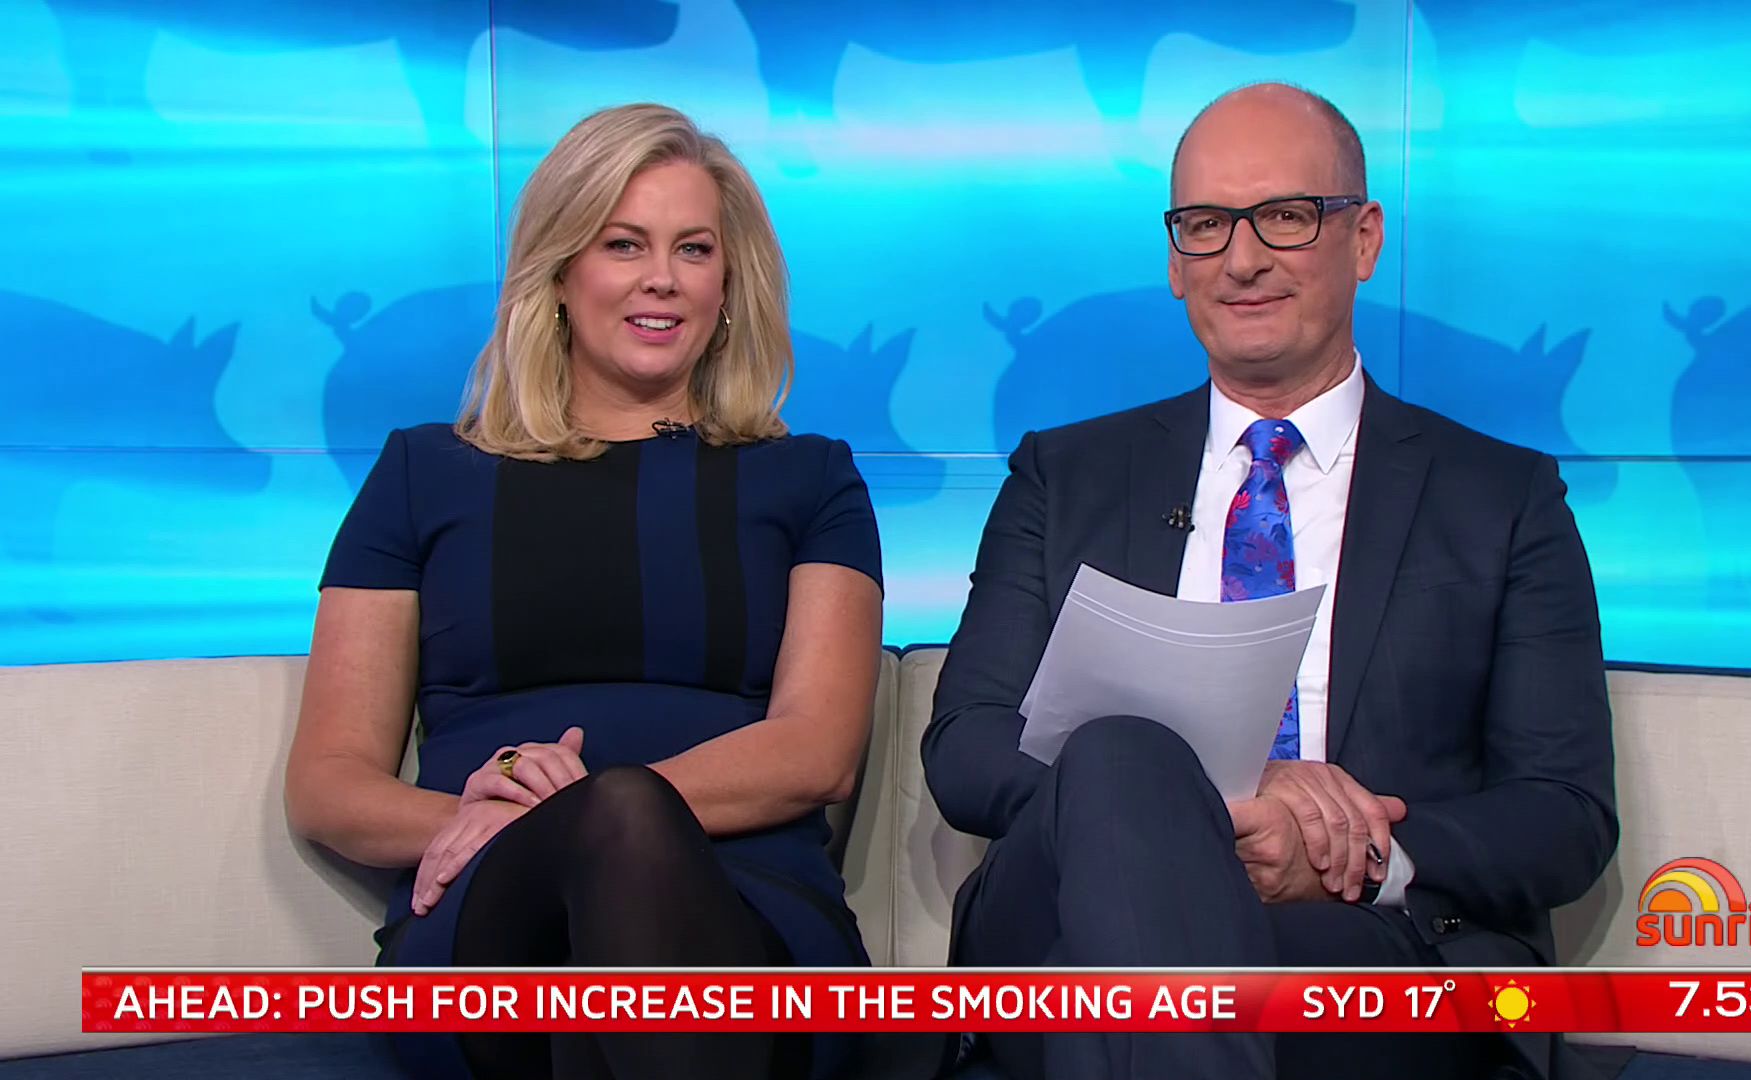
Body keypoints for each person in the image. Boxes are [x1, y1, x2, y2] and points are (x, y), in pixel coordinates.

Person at [923, 83, 1617, 1080]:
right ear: (1175, 261)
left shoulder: (1500, 497)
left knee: (1114, 995)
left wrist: (1351, 853)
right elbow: (967, 748)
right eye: (1206, 225)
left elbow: (1563, 812)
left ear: (1364, 239)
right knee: (1123, 756)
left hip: (1359, 939)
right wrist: (1188, 808)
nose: (1241, 259)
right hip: (1062, 898)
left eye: (1284, 217)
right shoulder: (1063, 475)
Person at [284, 103, 884, 1080]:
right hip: (494, 904)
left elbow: (817, 752)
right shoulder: (422, 475)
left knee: (626, 820)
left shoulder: (810, 480)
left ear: (729, 284)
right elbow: (328, 783)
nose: (662, 278)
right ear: (560, 272)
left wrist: (600, 809)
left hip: (745, 908)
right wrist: (519, 827)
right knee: (612, 831)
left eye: (694, 248)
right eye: (623, 243)